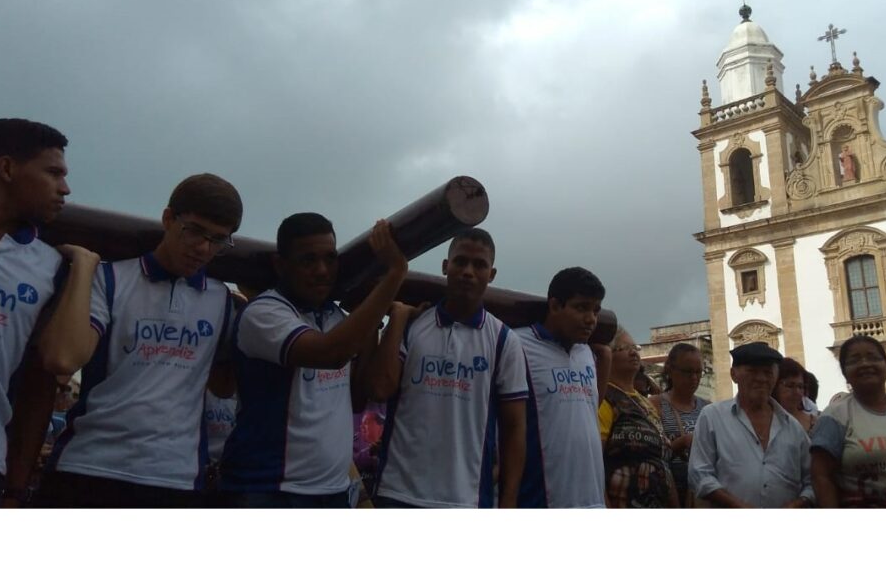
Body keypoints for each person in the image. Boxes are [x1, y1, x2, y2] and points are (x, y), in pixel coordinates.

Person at [36, 173, 243, 507]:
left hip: (176, 476)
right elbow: (62, 358)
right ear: (168, 219)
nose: (204, 248)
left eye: (218, 240)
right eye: (194, 232)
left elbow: (224, 387)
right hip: (89, 465)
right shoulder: (110, 278)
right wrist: (85, 266)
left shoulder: (222, 301)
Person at [218, 214, 407, 507]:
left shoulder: (334, 317)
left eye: (330, 259)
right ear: (281, 265)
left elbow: (358, 399)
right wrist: (394, 274)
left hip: (332, 490)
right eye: (308, 260)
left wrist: (373, 312)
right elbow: (330, 354)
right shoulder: (264, 313)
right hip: (265, 488)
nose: (322, 270)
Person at [366, 228, 527, 508]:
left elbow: (514, 428)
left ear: (492, 275)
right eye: (460, 261)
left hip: (466, 498)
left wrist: (509, 501)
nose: (468, 271)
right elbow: (379, 389)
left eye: (479, 265)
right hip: (397, 491)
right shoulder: (413, 326)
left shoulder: (504, 341)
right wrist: (398, 318)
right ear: (445, 266)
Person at [0, 119, 93, 508]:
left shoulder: (47, 266)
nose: (65, 188)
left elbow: (39, 384)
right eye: (53, 173)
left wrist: (16, 488)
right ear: (6, 169)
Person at [516, 266, 612, 508]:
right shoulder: (517, 344)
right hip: (542, 500)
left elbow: (588, 414)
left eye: (595, 310)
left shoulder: (587, 353)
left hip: (593, 501)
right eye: (581, 308)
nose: (591, 319)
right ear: (555, 305)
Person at [690, 343, 814, 508]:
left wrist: (797, 504)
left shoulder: (792, 427)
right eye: (752, 371)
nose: (761, 378)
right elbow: (699, 474)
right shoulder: (712, 417)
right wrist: (739, 507)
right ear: (733, 374)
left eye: (767, 372)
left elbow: (812, 480)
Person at [810, 335, 886, 508]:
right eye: (854, 360)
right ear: (845, 373)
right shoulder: (835, 415)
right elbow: (821, 476)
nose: (865, 364)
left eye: (873, 358)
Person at [599, 327, 677, 507]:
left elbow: (661, 459)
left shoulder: (645, 403)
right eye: (623, 348)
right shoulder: (604, 399)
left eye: (635, 347)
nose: (633, 352)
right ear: (607, 356)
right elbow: (595, 462)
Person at [651, 343, 710, 505]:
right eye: (687, 372)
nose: (694, 378)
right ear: (670, 370)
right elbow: (650, 454)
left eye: (698, 372)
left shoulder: (708, 408)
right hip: (668, 494)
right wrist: (681, 443)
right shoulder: (654, 405)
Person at [771, 357, 817, 432]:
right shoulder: (765, 422)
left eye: (800, 387)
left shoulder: (814, 423)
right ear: (775, 386)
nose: (797, 392)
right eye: (790, 385)